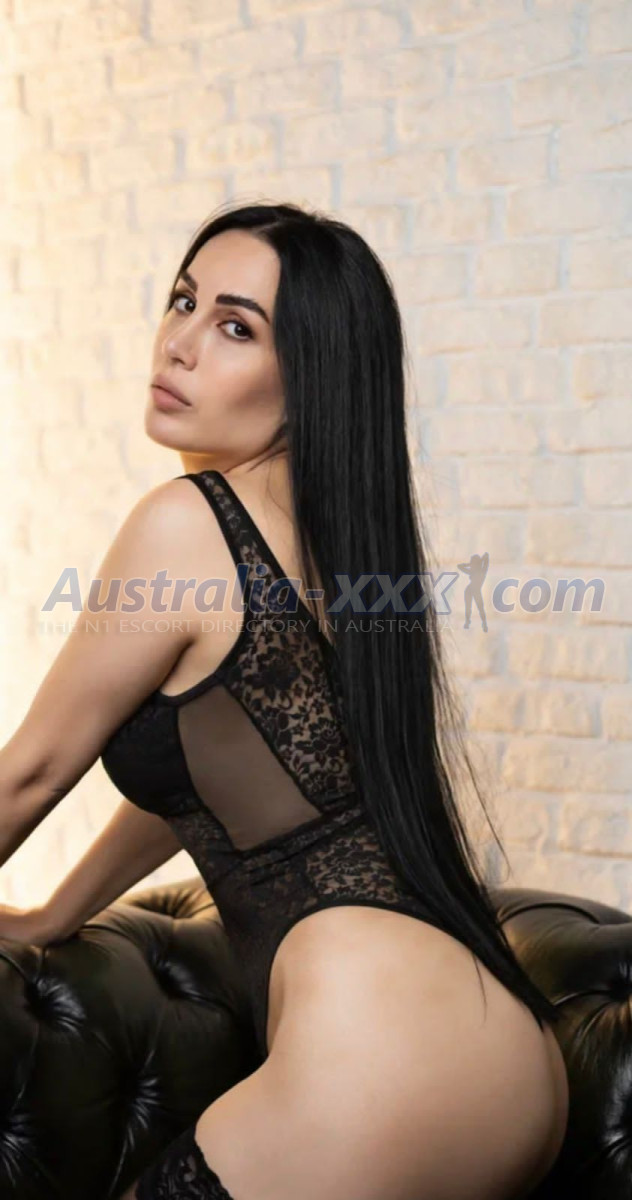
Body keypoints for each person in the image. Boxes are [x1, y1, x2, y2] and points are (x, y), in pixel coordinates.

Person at [0, 201, 569, 1200]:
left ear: (308, 374)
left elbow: (33, 771)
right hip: (511, 1064)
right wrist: (57, 910)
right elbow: (220, 779)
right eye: (184, 301)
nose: (179, 342)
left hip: (381, 1058)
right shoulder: (336, 544)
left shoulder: (188, 523)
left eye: (235, 327)